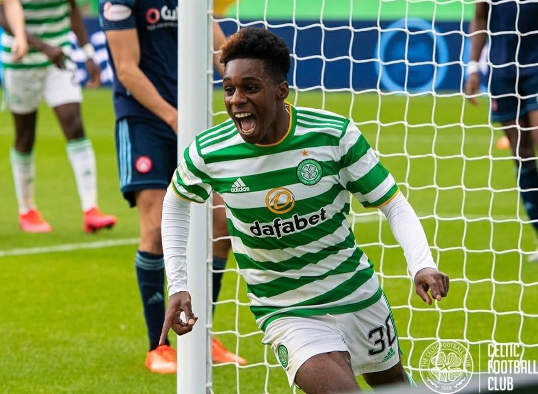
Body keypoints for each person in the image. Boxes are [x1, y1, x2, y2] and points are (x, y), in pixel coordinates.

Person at [160, 28, 450, 392]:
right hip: (286, 311)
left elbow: (393, 204)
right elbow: (175, 203)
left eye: (250, 87)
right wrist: (179, 284)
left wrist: (422, 262)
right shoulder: (210, 151)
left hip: (356, 295)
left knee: (396, 387)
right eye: (229, 88)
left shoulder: (333, 136)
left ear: (281, 91)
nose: (236, 100)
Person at [99, 0, 245, 374]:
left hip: (191, 119)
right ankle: (159, 346)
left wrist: (246, 85)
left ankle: (201, 335)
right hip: (143, 120)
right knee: (154, 228)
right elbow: (126, 68)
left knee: (220, 225)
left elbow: (220, 52)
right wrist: (172, 116)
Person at [0, 0, 116, 234]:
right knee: (25, 135)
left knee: (74, 125)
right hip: (20, 60)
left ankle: (91, 209)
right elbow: (4, 15)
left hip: (60, 57)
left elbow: (72, 9)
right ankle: (27, 210)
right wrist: (43, 47)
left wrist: (88, 54)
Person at [465, 1, 538, 261]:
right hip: (503, 71)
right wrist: (473, 67)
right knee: (522, 152)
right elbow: (480, 16)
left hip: (536, 66)